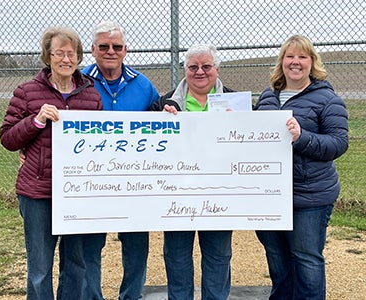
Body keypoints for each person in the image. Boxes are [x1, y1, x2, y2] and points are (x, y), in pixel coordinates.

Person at [0, 27, 103, 300]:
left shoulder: (91, 96)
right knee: (40, 267)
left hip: (77, 192)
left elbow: (102, 141)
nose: (66, 59)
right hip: (38, 193)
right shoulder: (27, 92)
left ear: (79, 57)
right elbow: (8, 138)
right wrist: (35, 121)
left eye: (71, 54)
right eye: (59, 53)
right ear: (48, 57)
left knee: (76, 263)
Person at [254, 35, 348, 299]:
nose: (295, 62)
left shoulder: (327, 99)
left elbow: (338, 143)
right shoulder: (268, 97)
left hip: (309, 196)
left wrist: (301, 137)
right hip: (269, 195)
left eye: (302, 57)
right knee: (278, 261)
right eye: (290, 56)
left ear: (312, 62)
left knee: (306, 260)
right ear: (282, 61)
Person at [80, 20, 159, 300]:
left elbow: (160, 123)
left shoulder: (144, 85)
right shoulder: (77, 83)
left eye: (116, 46)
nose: (110, 51)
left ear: (126, 50)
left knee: (136, 244)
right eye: (103, 46)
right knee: (89, 244)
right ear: (92, 50)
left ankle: (132, 295)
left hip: (134, 181)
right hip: (91, 180)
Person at [149, 43, 234, 300]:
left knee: (218, 256)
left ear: (217, 69)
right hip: (178, 194)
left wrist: (239, 124)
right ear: (184, 70)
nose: (200, 72)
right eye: (193, 67)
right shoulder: (164, 104)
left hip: (220, 194)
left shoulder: (235, 101)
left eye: (206, 66)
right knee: (176, 255)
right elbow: (146, 146)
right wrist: (158, 123)